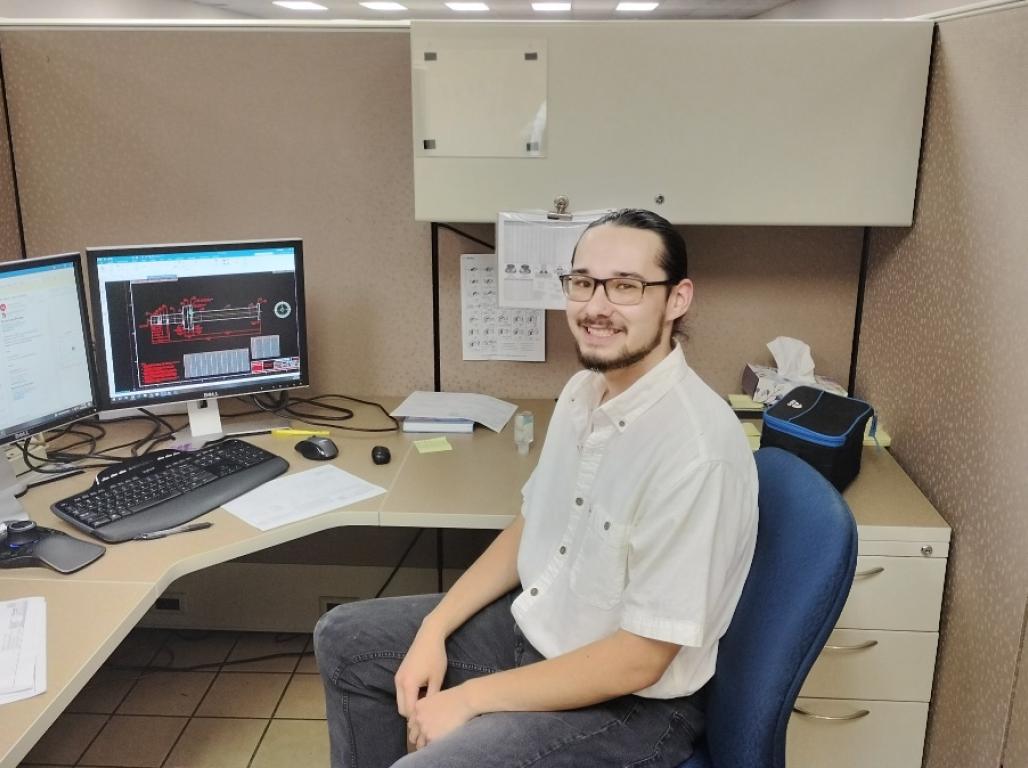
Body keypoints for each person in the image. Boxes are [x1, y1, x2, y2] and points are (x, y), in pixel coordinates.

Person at [315, 208, 758, 768]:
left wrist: (467, 700)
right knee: (346, 640)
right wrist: (434, 626)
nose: (596, 307)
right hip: (539, 637)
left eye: (626, 286)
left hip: (631, 704)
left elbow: (640, 660)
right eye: (582, 283)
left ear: (676, 299)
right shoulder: (583, 392)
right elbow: (533, 526)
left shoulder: (695, 452)